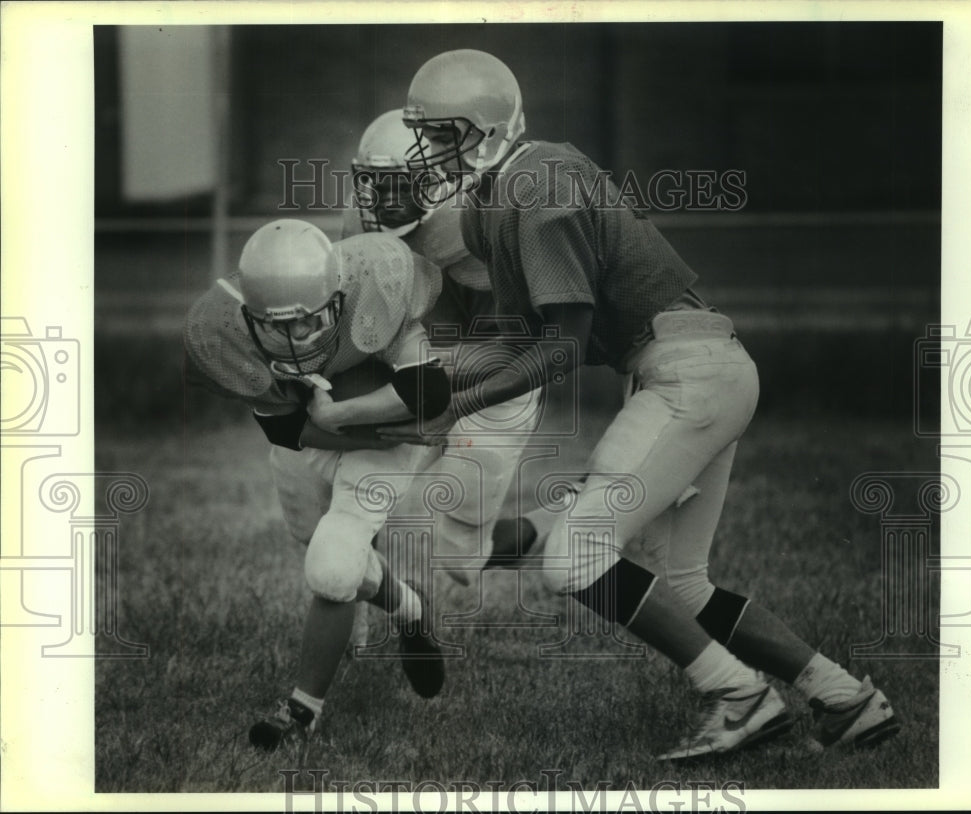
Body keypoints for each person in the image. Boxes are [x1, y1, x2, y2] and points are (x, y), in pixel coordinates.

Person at [383, 49, 900, 760]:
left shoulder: (536, 189)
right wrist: (429, 389)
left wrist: (450, 404)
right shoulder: (503, 197)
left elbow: (560, 349)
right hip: (696, 370)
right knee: (680, 585)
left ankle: (739, 696)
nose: (428, 152)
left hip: (687, 374)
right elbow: (515, 340)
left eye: (443, 134)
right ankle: (846, 697)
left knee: (577, 558)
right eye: (426, 135)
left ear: (491, 129)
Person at [183, 219, 448, 757]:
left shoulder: (377, 286)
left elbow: (430, 392)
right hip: (321, 437)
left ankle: (301, 711)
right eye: (278, 327)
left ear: (340, 296)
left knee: (331, 567)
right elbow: (284, 428)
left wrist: (346, 413)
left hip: (386, 438)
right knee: (322, 550)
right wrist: (355, 430)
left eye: (309, 321)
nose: (298, 338)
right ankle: (408, 608)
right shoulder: (226, 331)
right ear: (248, 316)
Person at [344, 109, 543, 592]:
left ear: (441, 181)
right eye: (377, 182)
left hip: (494, 385)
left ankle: (556, 521)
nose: (387, 200)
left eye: (404, 184)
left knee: (459, 557)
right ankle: (357, 608)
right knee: (350, 496)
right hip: (421, 373)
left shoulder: (474, 227)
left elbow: (514, 351)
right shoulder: (358, 225)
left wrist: (434, 376)